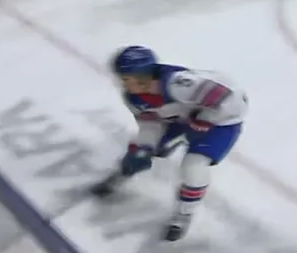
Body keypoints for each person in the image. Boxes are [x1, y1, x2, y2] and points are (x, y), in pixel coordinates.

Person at [95, 46, 249, 241]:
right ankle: (125, 172)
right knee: (139, 151)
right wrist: (144, 148)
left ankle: (184, 214)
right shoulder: (133, 97)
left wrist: (206, 118)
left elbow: (234, 99)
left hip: (220, 124)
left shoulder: (178, 84)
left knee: (194, 167)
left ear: (142, 76)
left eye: (126, 78)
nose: (122, 84)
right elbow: (150, 125)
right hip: (180, 118)